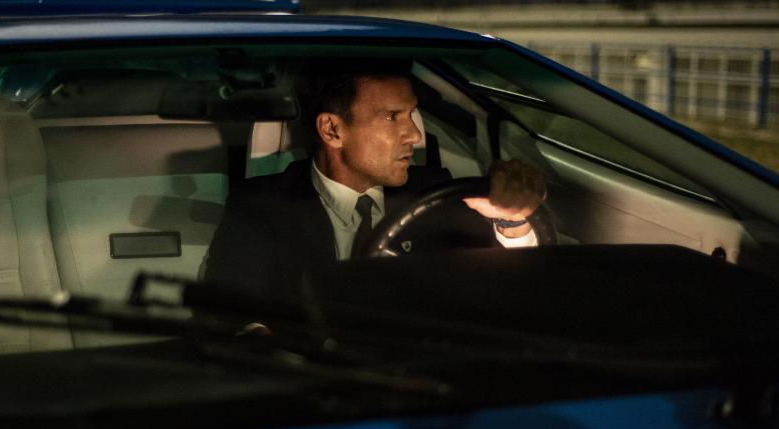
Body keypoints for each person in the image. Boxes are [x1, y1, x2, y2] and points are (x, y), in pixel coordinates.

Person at [203, 59, 546, 329]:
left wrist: (511, 221)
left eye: (412, 114)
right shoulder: (262, 206)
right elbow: (230, 312)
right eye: (393, 117)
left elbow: (505, 285)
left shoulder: (437, 192)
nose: (413, 134)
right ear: (333, 129)